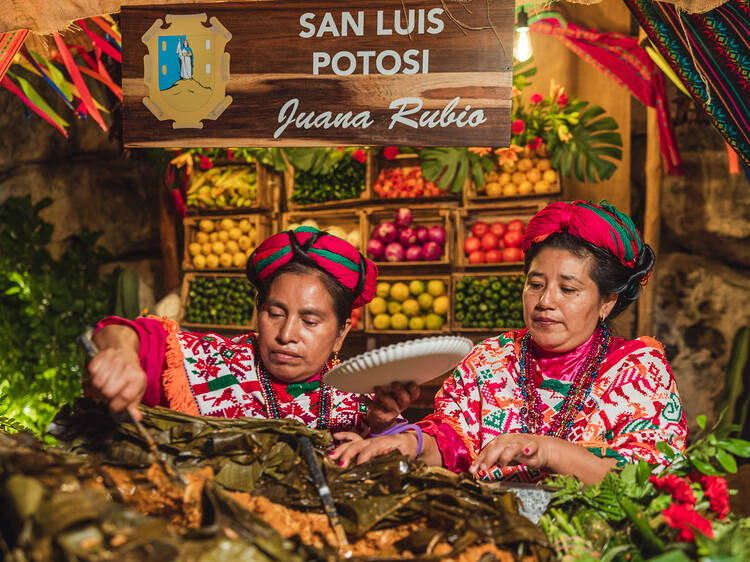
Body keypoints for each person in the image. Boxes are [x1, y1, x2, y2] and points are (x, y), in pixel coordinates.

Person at [332, 201, 688, 484]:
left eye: (568, 289)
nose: (545, 300)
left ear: (606, 302)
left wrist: (547, 451)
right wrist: (411, 442)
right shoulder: (492, 358)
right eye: (535, 284)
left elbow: (652, 478)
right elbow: (453, 438)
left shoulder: (638, 371)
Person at [87, 226, 419, 434]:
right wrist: (119, 352)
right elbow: (127, 332)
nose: (286, 334)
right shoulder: (213, 361)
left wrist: (380, 429)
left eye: (310, 321)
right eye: (275, 313)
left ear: (341, 334)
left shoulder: (361, 399)